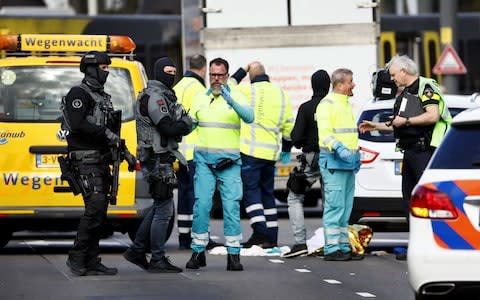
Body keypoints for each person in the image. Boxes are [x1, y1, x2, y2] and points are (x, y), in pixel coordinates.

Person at [359, 55, 451, 260]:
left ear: (403, 71)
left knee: (427, 201)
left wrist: (407, 121)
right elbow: (398, 122)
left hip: (424, 152)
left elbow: (432, 115)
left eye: (393, 74)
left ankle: (434, 245)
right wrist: (376, 126)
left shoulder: (425, 87)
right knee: (410, 201)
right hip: (409, 153)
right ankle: (416, 246)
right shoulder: (406, 93)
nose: (392, 79)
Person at [123, 57, 193, 273]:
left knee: (158, 207)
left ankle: (136, 251)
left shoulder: (161, 95)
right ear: (158, 72)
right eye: (167, 71)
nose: (171, 75)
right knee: (164, 210)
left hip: (158, 157)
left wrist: (181, 124)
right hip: (157, 159)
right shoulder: (155, 97)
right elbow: (168, 128)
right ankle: (157, 258)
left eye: (174, 71)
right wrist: (186, 123)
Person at [186, 57, 254, 271]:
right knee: (202, 206)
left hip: (229, 163)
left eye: (220, 75)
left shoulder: (237, 95)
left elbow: (250, 117)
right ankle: (198, 252)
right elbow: (189, 126)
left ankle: (233, 255)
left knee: (232, 207)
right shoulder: (199, 98)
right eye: (212, 75)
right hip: (204, 162)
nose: (216, 79)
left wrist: (230, 100)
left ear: (227, 76)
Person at [63, 51, 126, 276]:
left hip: (100, 159)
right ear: (91, 68)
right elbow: (79, 124)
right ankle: (77, 256)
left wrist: (124, 151)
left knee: (99, 213)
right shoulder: (78, 94)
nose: (106, 71)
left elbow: (110, 129)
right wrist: (107, 134)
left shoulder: (103, 96)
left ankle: (92, 260)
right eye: (103, 67)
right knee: (95, 208)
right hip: (84, 158)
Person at [229, 61, 294, 249]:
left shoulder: (247, 92)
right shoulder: (281, 93)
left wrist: (242, 69)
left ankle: (259, 232)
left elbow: (229, 86)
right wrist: (286, 150)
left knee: (251, 193)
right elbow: (289, 125)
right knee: (267, 194)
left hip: (250, 151)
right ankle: (272, 236)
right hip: (271, 153)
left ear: (250, 77)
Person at [173, 54, 222, 250]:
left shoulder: (176, 88)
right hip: (196, 152)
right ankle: (199, 237)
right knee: (200, 196)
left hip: (178, 152)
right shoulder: (200, 91)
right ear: (202, 70)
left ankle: (184, 237)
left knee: (184, 195)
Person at [282, 69, 330, 258]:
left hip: (311, 158)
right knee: (331, 201)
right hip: (332, 158)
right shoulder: (334, 106)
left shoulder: (306, 107)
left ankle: (300, 242)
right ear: (329, 86)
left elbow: (296, 137)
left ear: (312, 85)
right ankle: (332, 242)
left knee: (294, 197)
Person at [316, 68, 363, 261]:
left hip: (347, 165)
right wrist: (341, 150)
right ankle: (332, 248)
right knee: (335, 207)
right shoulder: (327, 104)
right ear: (340, 84)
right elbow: (325, 133)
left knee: (345, 208)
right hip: (334, 164)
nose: (353, 84)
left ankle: (343, 246)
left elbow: (349, 135)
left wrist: (355, 155)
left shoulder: (345, 104)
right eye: (350, 81)